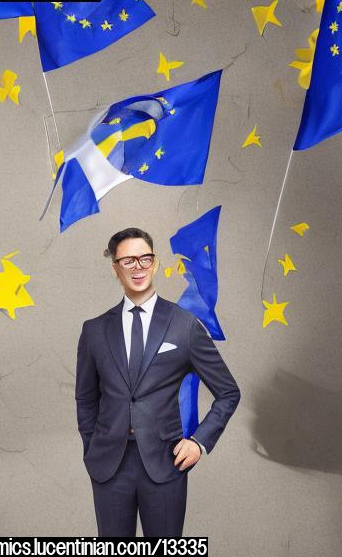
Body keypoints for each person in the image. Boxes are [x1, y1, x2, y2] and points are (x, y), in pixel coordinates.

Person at [75, 227, 241, 536]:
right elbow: (85, 399)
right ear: (115, 267)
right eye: (128, 261)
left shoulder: (184, 325)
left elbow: (228, 392)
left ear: (154, 262)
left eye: (145, 258)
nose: (138, 267)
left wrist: (199, 442)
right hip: (109, 464)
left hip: (166, 463)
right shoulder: (94, 330)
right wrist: (92, 447)